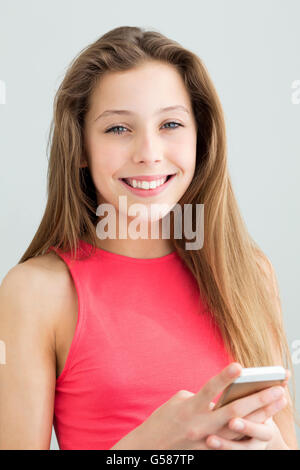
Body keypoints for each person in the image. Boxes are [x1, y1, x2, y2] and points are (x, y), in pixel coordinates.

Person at [0, 26, 299, 450]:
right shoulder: (36, 293)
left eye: (171, 124)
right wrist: (146, 450)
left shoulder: (249, 273)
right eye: (118, 129)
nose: (149, 152)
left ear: (201, 138)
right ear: (81, 148)